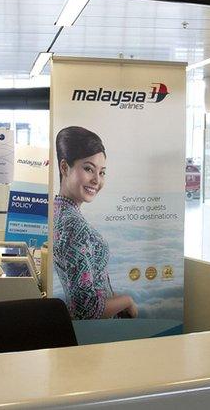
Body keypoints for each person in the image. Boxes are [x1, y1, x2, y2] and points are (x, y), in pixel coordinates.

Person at [52, 126, 138, 320]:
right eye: (89, 169)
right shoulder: (74, 225)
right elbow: (87, 311)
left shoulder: (57, 212)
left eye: (102, 172)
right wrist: (127, 301)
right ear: (64, 167)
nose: (96, 180)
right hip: (96, 334)